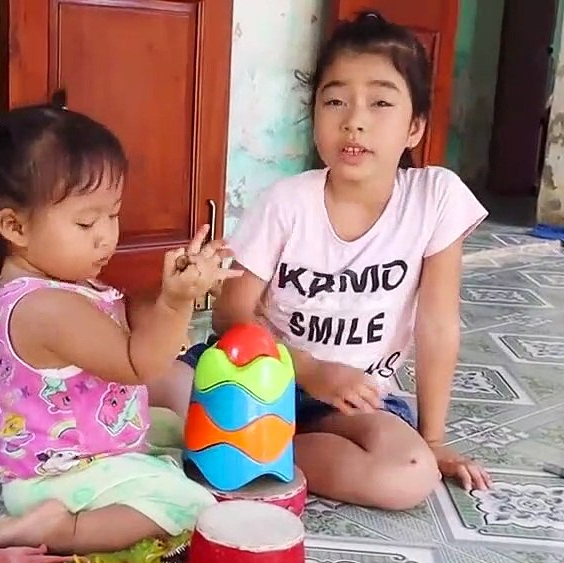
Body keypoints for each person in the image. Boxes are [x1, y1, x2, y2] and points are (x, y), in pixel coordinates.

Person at [153, 11, 493, 511]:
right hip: (254, 377)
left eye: (380, 102)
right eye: (335, 100)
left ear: (415, 126)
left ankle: (254, 448)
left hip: (352, 401)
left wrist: (434, 439)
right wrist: (307, 368)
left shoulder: (436, 198)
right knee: (151, 381)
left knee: (408, 474)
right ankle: (249, 439)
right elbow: (230, 318)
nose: (354, 119)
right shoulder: (287, 201)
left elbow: (438, 325)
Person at [0, 98, 231, 554]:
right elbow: (139, 364)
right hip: (57, 476)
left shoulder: (60, 278)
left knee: (176, 430)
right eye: (86, 221)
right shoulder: (46, 307)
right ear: (15, 227)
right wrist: (179, 302)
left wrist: (169, 288)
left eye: (112, 214)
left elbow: (127, 315)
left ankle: (113, 484)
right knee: (193, 506)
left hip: (73, 447)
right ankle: (60, 531)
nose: (106, 235)